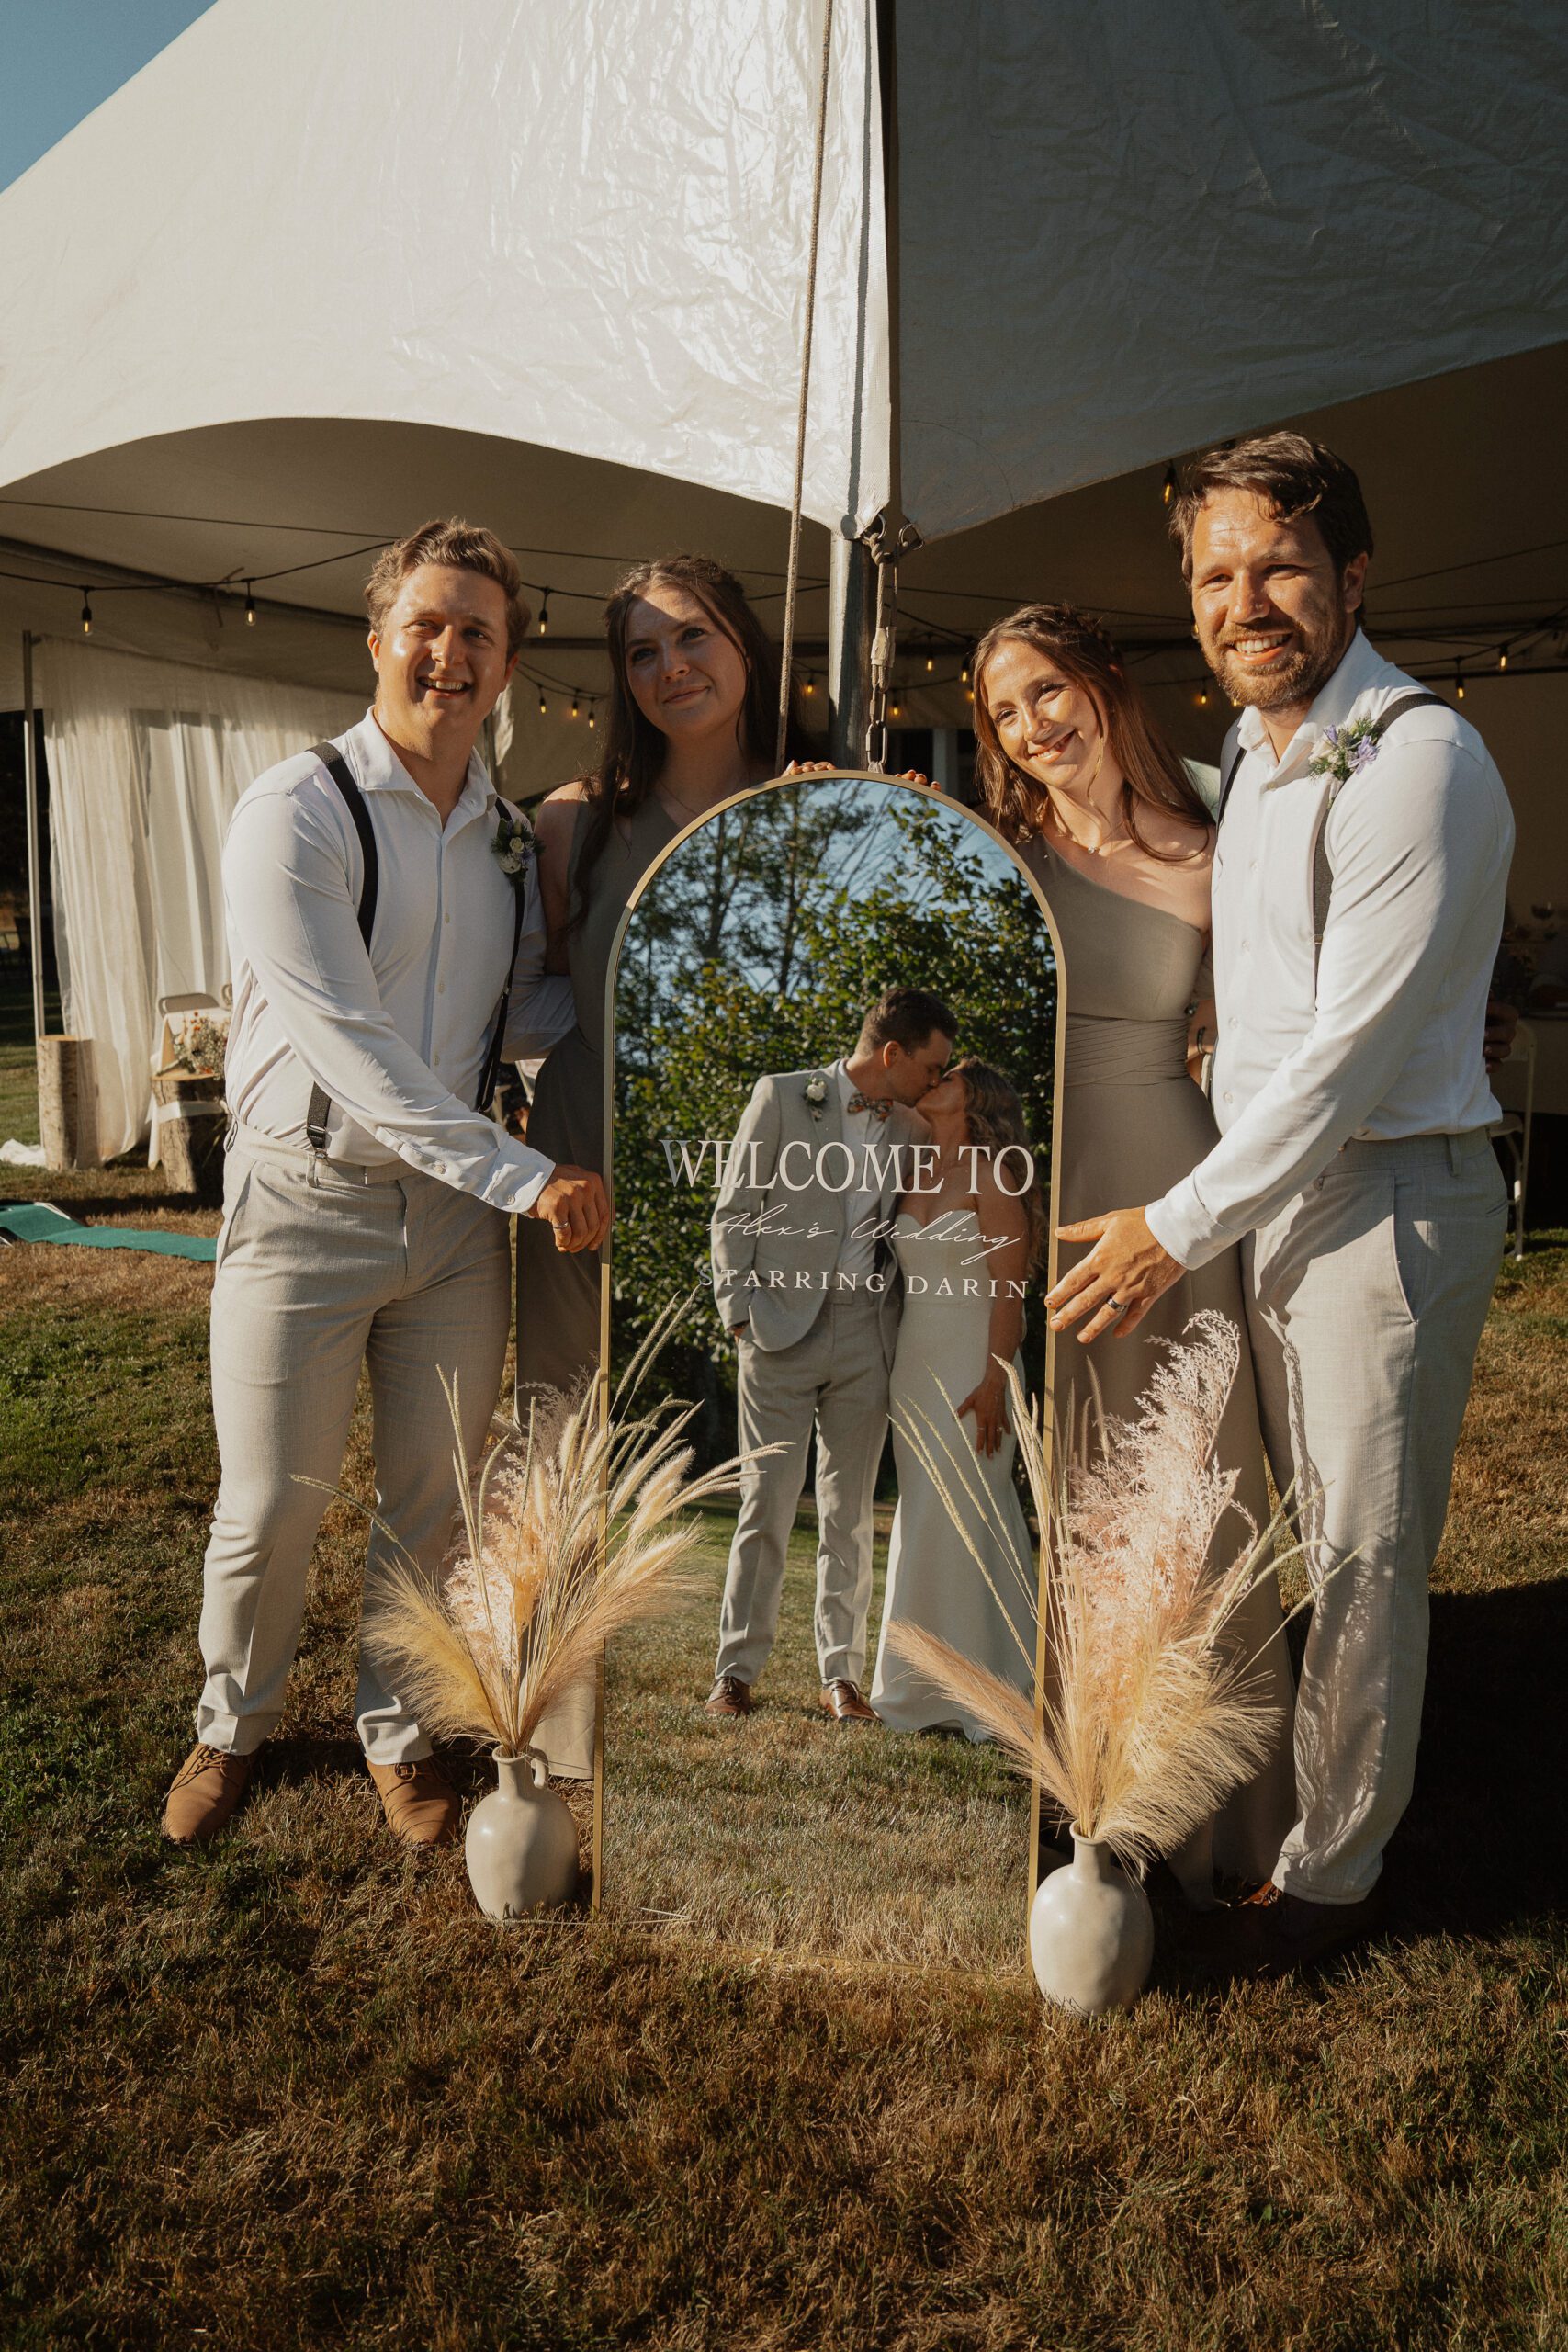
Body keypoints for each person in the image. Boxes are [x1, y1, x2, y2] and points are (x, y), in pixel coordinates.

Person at [1045, 434, 1513, 1973]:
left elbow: (1340, 1064)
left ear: (1352, 577)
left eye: (1279, 569)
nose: (1245, 602)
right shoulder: (1251, 747)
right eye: (1214, 576)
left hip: (1383, 1202)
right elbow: (1261, 1019)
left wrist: (1170, 1222)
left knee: (1367, 1553)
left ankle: (1333, 1874)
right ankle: (1245, 1799)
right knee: (1280, 1515)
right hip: (1270, 1193)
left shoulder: (1414, 760)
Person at [161, 520, 610, 1851]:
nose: (449, 651)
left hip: (452, 1226)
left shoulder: (506, 836)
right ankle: (228, 1726)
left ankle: (397, 1729)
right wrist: (527, 1174)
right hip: (306, 1204)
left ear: (509, 662)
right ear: (376, 639)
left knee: (436, 1503)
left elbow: (508, 1007)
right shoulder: (294, 810)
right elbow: (350, 1049)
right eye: (425, 622)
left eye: (478, 631)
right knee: (269, 1507)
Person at [970, 603, 1297, 1897]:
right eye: (1002, 711)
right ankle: (1070, 1787)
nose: (1031, 726)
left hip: (1161, 1179)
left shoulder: (1218, 856)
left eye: (1046, 690)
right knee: (1057, 1477)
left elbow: (1265, 1031)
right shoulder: (999, 853)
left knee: (1179, 1468)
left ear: (1103, 684)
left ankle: (1203, 1798)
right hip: (1027, 1188)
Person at [521, 554, 816, 1410]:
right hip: (591, 1147)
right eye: (642, 653)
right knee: (575, 1407)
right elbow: (540, 987)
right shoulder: (573, 820)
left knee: (750, 1400)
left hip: (762, 1156)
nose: (670, 665)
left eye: (692, 635)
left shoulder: (817, 804)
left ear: (746, 650)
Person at [705, 988, 954, 1722]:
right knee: (766, 1504)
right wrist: (737, 1316)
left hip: (867, 1333)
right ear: (892, 1054)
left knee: (848, 1513)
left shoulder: (913, 1128)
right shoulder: (781, 1097)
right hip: (777, 1330)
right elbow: (734, 1209)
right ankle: (735, 1672)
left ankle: (840, 1675)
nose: (936, 1082)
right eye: (931, 1067)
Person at [869, 1059, 1040, 1739]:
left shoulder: (994, 1177)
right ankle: (916, 1685)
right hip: (915, 1366)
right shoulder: (910, 1172)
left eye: (951, 1077)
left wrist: (995, 1383)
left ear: (977, 1100)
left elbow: (1009, 1294)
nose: (935, 1079)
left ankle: (990, 1689)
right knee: (924, 1515)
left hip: (976, 1365)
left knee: (973, 1514)